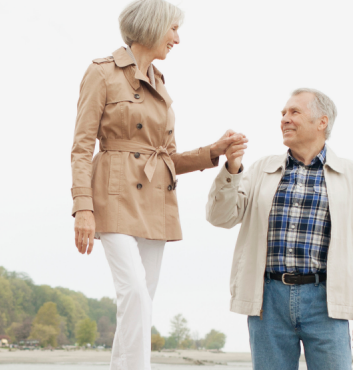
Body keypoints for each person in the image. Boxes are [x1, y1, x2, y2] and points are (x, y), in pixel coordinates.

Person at [69, 1, 231, 369]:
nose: (178, 39)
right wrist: (82, 207)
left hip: (157, 199)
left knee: (139, 302)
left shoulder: (160, 83)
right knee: (135, 293)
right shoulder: (101, 72)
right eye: (173, 29)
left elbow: (166, 157)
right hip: (112, 194)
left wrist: (212, 151)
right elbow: (81, 147)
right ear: (152, 26)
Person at [205, 88, 353, 369]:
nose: (285, 119)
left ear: (322, 122)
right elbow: (220, 217)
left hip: (327, 302)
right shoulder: (261, 169)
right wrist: (232, 169)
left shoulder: (352, 175)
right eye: (283, 113)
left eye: (294, 112)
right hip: (268, 302)